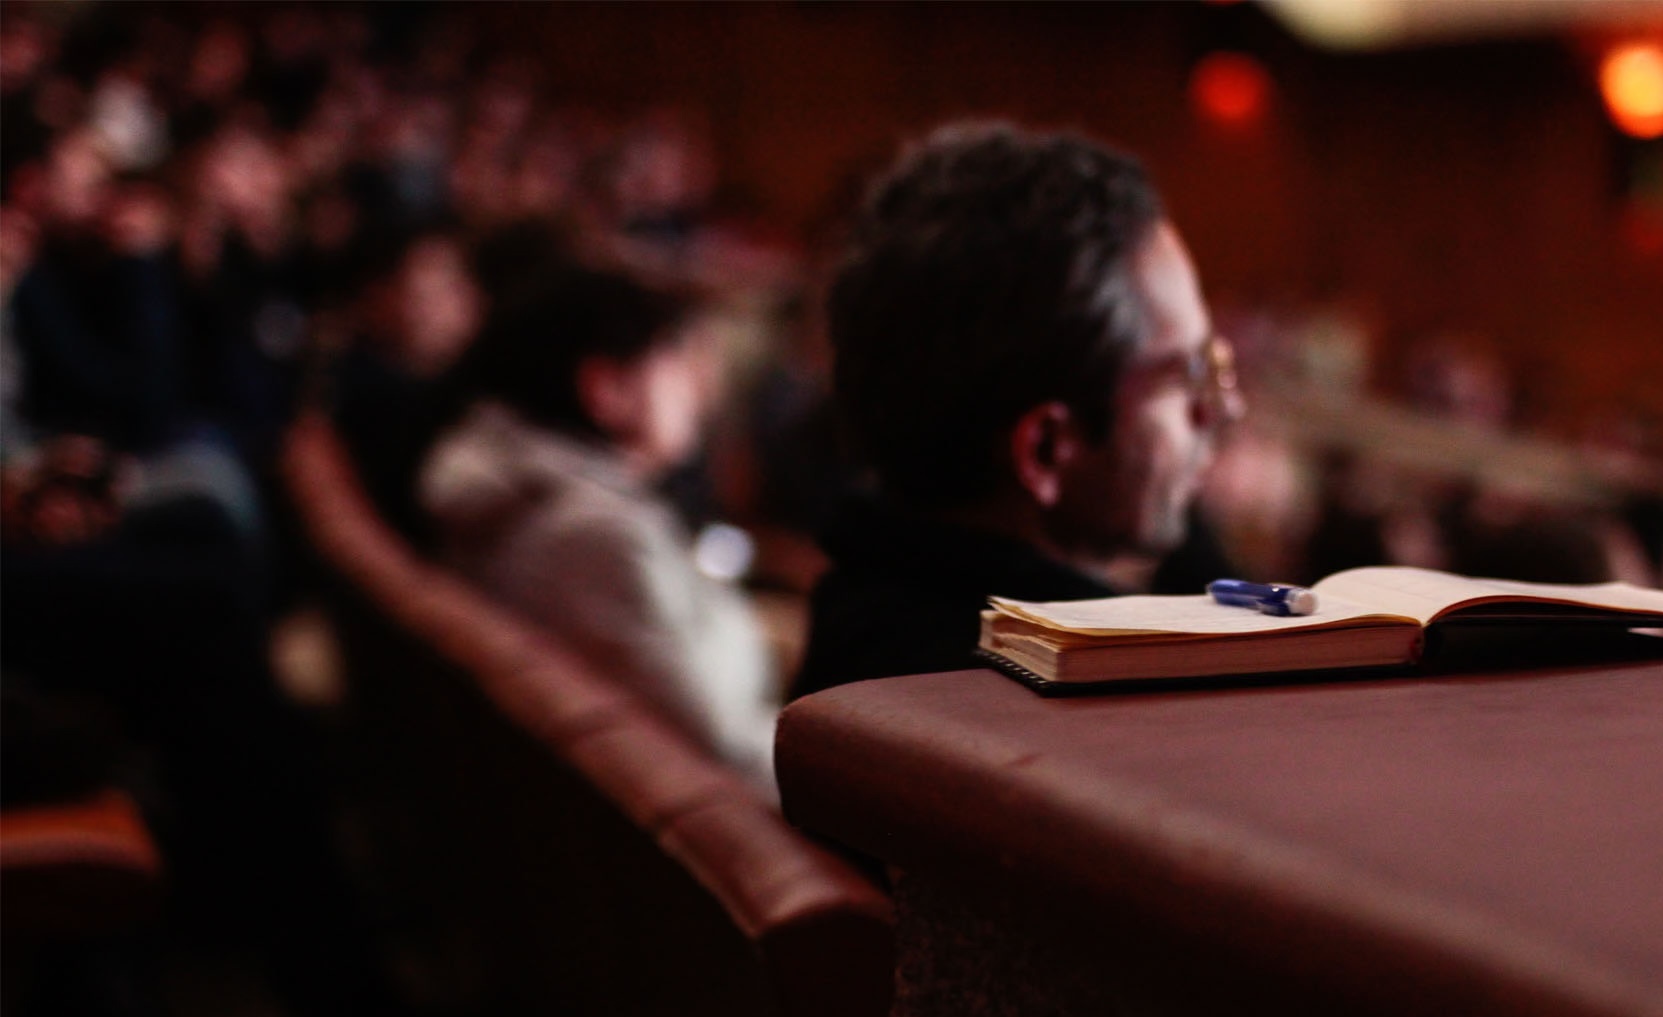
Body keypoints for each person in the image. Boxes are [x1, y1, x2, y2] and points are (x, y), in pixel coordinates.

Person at [791, 121, 1243, 697]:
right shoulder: (1075, 701)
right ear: (1047, 449)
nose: (1226, 408)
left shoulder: (869, 608)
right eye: (1187, 378)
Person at [419, 266, 781, 797]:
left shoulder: (526, 490)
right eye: (673, 358)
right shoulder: (595, 541)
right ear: (606, 389)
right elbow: (724, 753)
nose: (697, 384)